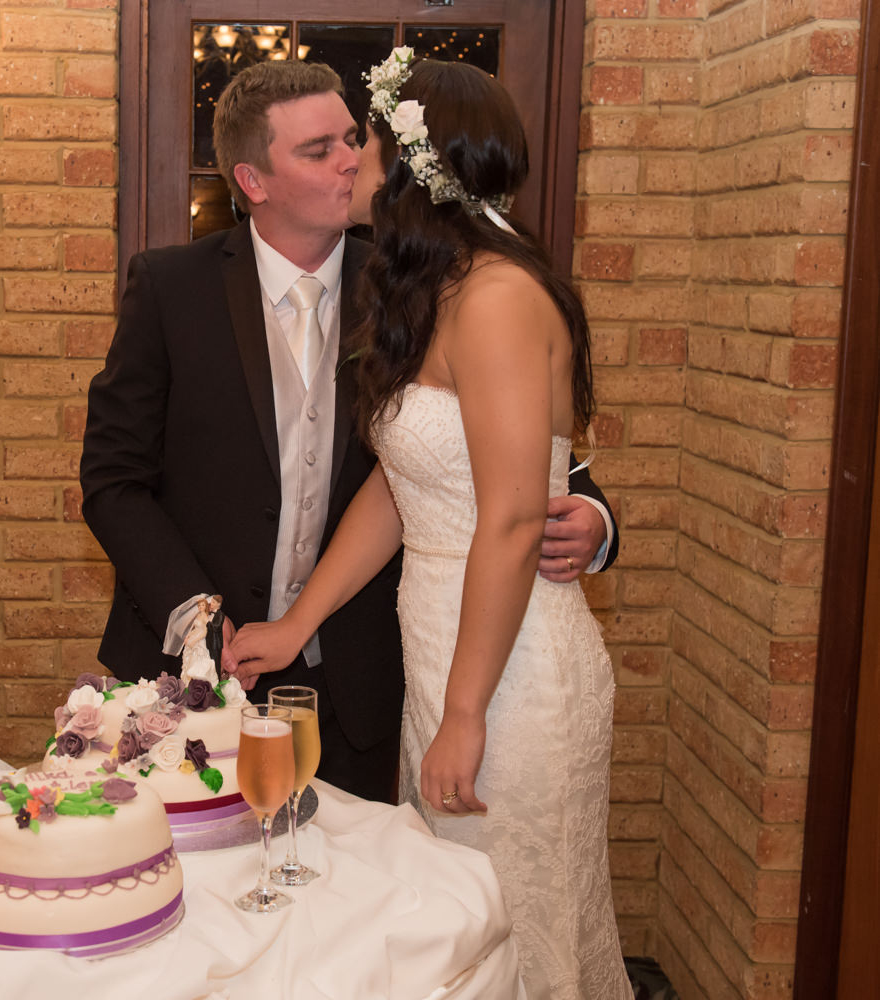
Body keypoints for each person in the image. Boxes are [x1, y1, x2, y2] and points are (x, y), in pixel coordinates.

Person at [79, 59, 616, 803]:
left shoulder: (415, 288)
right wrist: (197, 615)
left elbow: (505, 458)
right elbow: (112, 480)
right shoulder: (172, 288)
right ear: (253, 181)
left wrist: (595, 515)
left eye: (351, 139)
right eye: (319, 149)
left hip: (363, 681)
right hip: (198, 670)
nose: (351, 159)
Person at [230, 50, 633, 999]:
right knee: (459, 928)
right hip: (449, 659)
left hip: (510, 681)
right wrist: (298, 623)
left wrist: (463, 716)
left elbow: (507, 521)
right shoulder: (436, 291)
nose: (351, 160)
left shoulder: (495, 298)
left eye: (364, 140)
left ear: (415, 166)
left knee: (514, 930)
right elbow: (400, 489)